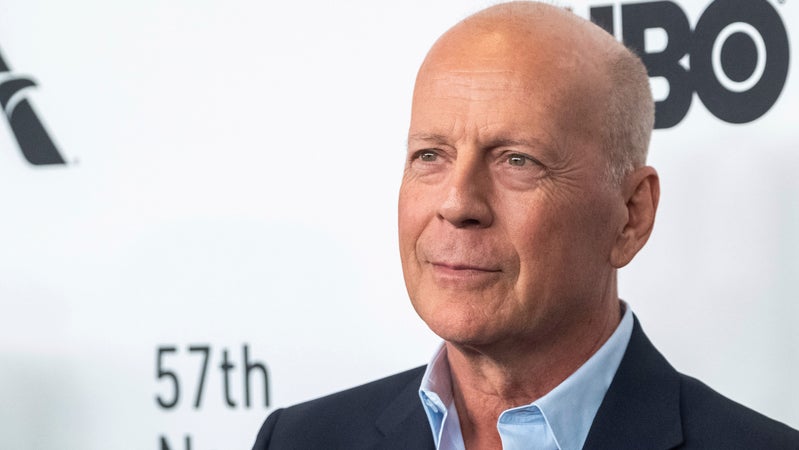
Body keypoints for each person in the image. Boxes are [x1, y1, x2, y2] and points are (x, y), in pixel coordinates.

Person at [252, 2, 799, 449]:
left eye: (517, 160)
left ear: (631, 215)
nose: (458, 203)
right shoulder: (300, 440)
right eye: (430, 155)